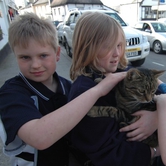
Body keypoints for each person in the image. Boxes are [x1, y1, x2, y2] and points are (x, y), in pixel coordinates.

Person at [0, 13, 126, 166]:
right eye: (25, 57)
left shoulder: (68, 87)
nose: (35, 65)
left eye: (43, 55)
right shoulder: (11, 93)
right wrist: (98, 90)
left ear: (58, 53)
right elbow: (39, 137)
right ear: (15, 56)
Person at [67, 11, 157, 166]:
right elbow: (114, 156)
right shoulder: (84, 92)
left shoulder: (121, 70)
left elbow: (159, 93)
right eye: (108, 47)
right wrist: (157, 149)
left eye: (119, 45)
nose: (117, 53)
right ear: (87, 47)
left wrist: (157, 116)